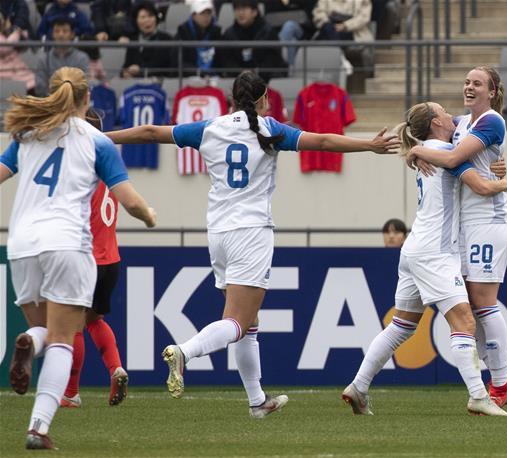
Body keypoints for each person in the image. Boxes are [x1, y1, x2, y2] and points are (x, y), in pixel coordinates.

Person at [104, 70, 400, 417]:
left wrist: (97, 137)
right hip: (252, 232)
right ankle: (184, 352)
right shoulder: (270, 129)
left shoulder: (209, 128)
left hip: (218, 233)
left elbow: (150, 132)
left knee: (248, 321)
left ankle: (257, 401)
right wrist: (370, 145)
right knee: (238, 322)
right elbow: (321, 142)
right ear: (263, 99)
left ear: (232, 98)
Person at [2, 66, 156, 450]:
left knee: (44, 331)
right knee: (63, 339)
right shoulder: (96, 140)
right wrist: (150, 216)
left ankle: (28, 343)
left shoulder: (27, 134)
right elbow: (130, 199)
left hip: (22, 244)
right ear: (87, 99)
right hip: (67, 243)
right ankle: (38, 427)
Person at [343, 102, 507, 417]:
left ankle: (359, 386)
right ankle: (478, 395)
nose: (450, 115)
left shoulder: (428, 150)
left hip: (414, 249)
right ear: (436, 122)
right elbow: (482, 186)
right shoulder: (447, 153)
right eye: (444, 112)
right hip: (435, 252)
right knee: (464, 321)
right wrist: (504, 182)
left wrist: (415, 150)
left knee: (401, 326)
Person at [408, 66, 507, 408]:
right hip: (465, 225)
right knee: (469, 303)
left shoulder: (491, 121)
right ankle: (500, 373)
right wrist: (413, 145)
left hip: (488, 218)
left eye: (478, 83)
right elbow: (426, 123)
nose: (469, 87)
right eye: (467, 82)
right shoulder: (462, 121)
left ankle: (500, 384)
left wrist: (417, 151)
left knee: (484, 303)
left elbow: (454, 157)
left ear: (493, 91)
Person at [59, 109, 130, 409]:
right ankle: (115, 368)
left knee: (73, 326)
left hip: (86, 258)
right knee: (94, 319)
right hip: (110, 259)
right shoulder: (111, 170)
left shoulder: (79, 170)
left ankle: (71, 392)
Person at [217, 0, 288, 81]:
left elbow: (273, 60)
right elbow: (227, 61)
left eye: (244, 9)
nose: (240, 13)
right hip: (238, 82)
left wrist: (256, 73)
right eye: (237, 9)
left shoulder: (268, 32)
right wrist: (242, 74)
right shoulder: (228, 35)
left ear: (254, 12)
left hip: (265, 81)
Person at [34, 17, 90, 97]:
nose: (60, 34)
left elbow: (84, 85)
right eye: (57, 31)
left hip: (74, 104)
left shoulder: (82, 58)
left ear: (72, 34)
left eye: (65, 31)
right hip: (49, 103)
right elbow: (39, 87)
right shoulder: (43, 59)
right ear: (53, 34)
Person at [120, 1, 175, 79]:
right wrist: (125, 73)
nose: (147, 20)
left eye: (150, 16)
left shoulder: (166, 39)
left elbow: (162, 65)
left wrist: (140, 70)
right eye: (143, 17)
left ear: (156, 18)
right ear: (136, 21)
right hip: (135, 83)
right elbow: (126, 65)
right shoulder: (134, 40)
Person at [174, 0, 222, 76]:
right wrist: (198, 72)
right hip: (190, 77)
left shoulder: (217, 32)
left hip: (214, 77)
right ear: (193, 15)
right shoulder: (182, 33)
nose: (206, 17)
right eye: (202, 13)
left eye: (208, 13)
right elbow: (178, 62)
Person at [0, 10, 35, 92]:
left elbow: (24, 39)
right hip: (4, 73)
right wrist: (17, 33)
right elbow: (5, 47)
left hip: (16, 69)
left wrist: (18, 32)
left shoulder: (5, 33)